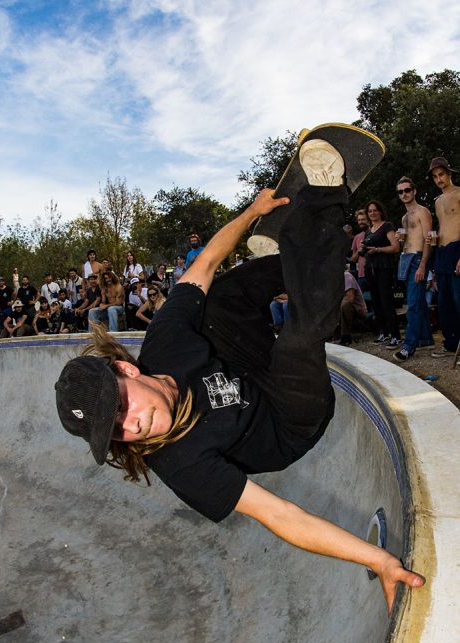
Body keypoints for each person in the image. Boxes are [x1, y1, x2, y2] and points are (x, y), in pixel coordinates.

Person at [56, 135, 425, 614]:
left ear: (127, 369)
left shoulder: (164, 341)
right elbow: (280, 516)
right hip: (289, 421)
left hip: (248, 367)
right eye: (117, 431)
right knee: (299, 337)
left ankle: (276, 263)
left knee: (214, 294)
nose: (135, 426)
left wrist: (253, 211)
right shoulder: (180, 463)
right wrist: (378, 560)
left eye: (123, 406)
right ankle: (324, 198)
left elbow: (207, 260)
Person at [392, 176, 434, 362]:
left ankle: (408, 346)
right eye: (400, 192)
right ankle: (425, 339)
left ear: (414, 191)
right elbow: (405, 242)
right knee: (419, 302)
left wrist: (423, 264)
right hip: (406, 259)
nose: (404, 194)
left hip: (417, 259)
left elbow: (429, 240)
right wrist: (400, 240)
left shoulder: (422, 211)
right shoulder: (404, 217)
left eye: (407, 190)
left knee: (413, 304)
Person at [425, 156, 460, 359]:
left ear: (449, 174)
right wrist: (434, 240)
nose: (439, 179)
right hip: (442, 253)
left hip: (457, 250)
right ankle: (450, 344)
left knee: (458, 300)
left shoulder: (459, 193)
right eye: (435, 176)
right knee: (444, 304)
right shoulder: (437, 201)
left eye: (441, 174)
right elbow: (444, 227)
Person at [363, 201, 401, 348]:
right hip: (370, 268)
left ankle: (395, 335)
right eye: (370, 211)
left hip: (384, 268)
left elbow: (395, 247)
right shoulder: (368, 231)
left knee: (386, 301)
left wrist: (378, 249)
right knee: (376, 302)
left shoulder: (387, 226)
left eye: (375, 210)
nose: (372, 213)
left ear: (380, 211)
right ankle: (383, 332)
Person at [339, 269, 368, 345]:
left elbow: (350, 299)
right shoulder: (337, 278)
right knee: (342, 306)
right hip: (351, 308)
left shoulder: (346, 276)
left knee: (345, 306)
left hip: (359, 310)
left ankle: (345, 336)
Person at [350, 209, 369, 289]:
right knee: (360, 296)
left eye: (363, 219)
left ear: (368, 219)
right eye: (359, 220)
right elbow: (353, 259)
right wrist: (359, 250)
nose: (361, 222)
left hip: (375, 273)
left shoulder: (376, 233)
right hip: (361, 275)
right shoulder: (357, 237)